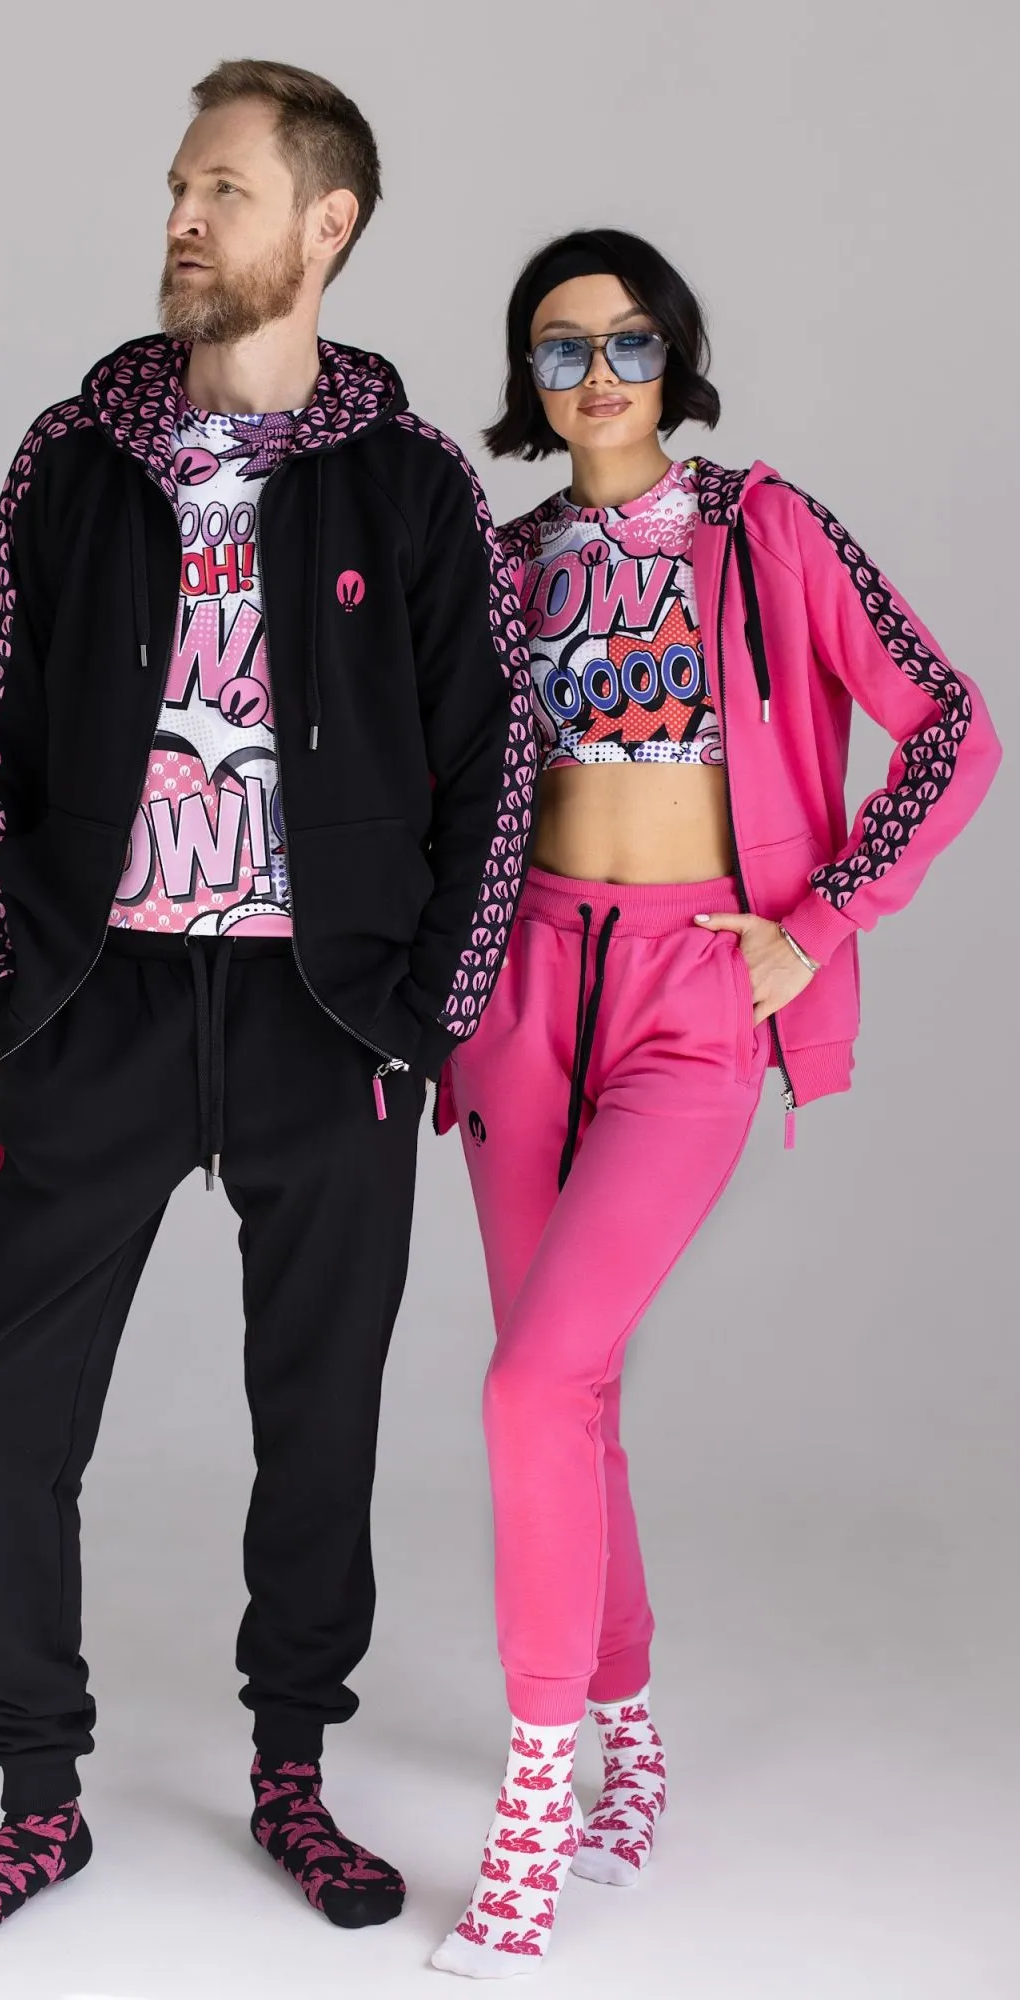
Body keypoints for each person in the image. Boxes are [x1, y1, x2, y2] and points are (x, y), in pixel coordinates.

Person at [0, 59, 533, 1974]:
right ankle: (37, 1800)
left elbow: (495, 767)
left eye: (224, 189)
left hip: (325, 1019)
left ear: (326, 226)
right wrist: (5, 978)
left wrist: (420, 1019)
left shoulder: (411, 482)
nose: (182, 216)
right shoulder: (72, 455)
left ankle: (291, 1771)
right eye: (178, 184)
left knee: (315, 1412)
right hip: (96, 1002)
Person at [431, 228, 1001, 1978]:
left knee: (533, 1380)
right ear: (529, 380)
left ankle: (535, 1800)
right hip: (525, 993)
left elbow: (952, 726)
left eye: (627, 343)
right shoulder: (504, 560)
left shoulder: (767, 528)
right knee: (563, 1394)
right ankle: (631, 1733)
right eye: (560, 349)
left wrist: (818, 926)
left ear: (674, 358)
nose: (597, 376)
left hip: (695, 993)